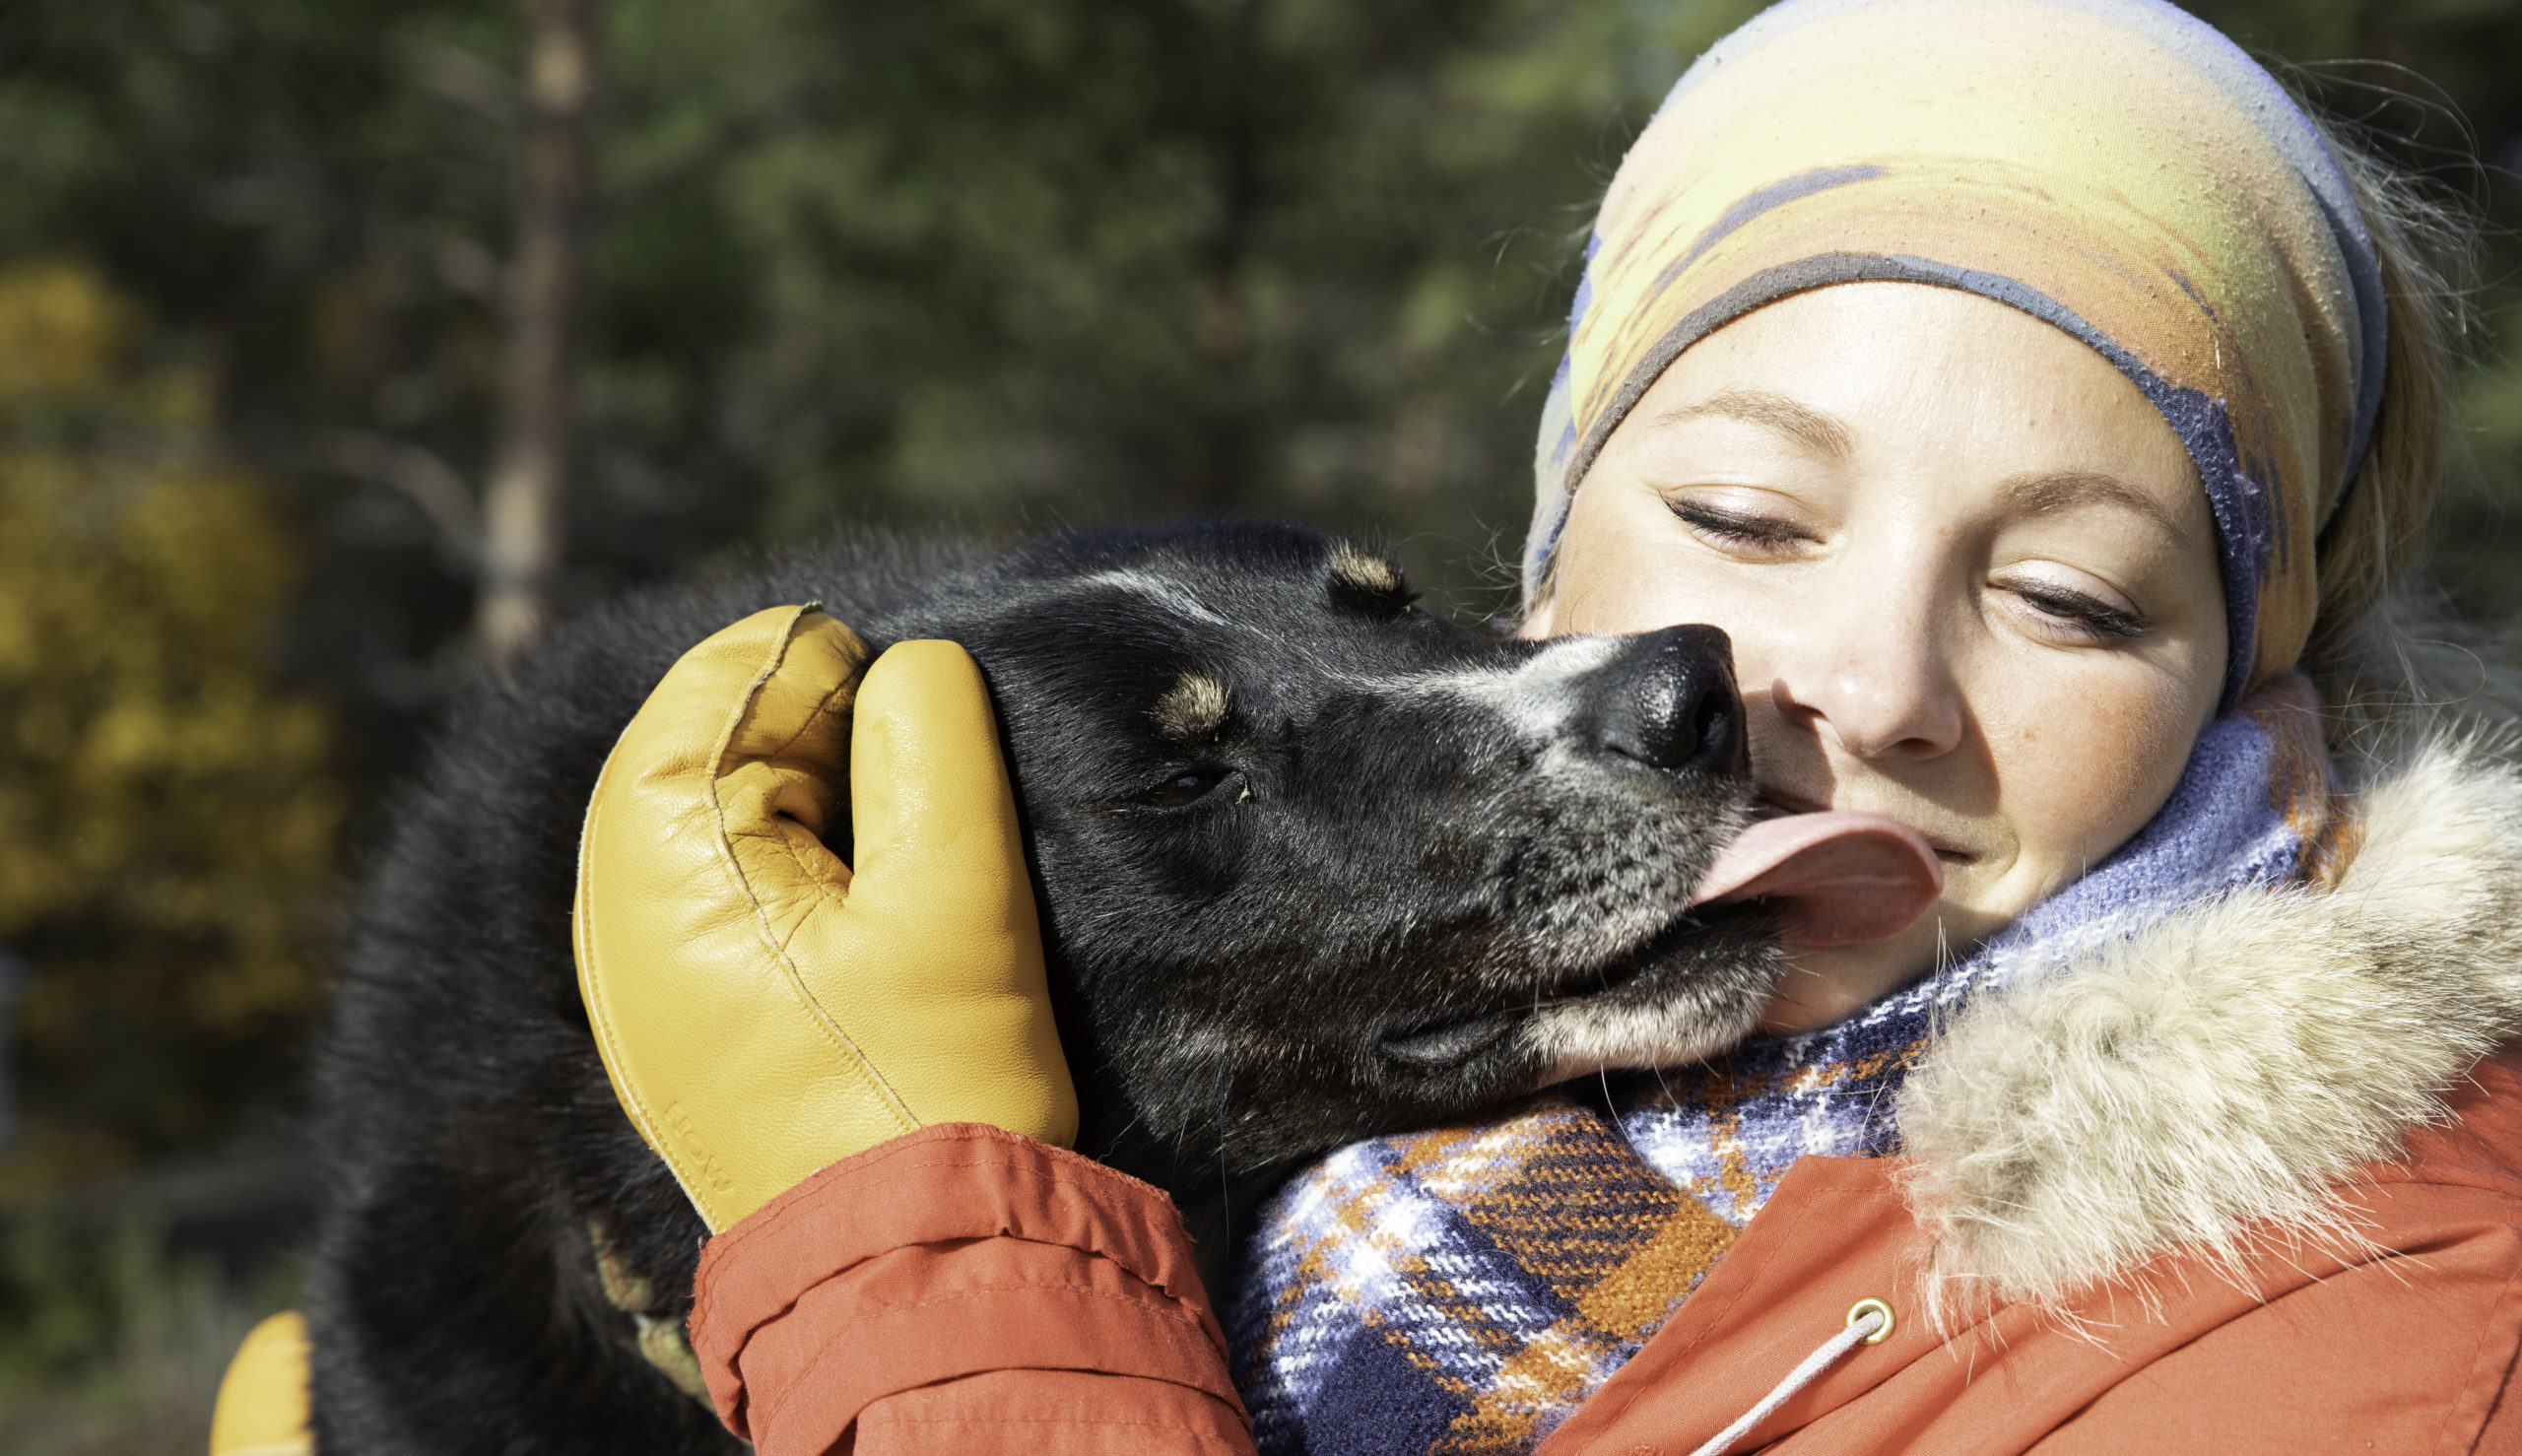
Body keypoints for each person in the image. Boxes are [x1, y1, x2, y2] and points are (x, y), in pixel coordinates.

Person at [207, 0, 2522, 1452]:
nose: (1856, 685)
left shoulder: (2381, 1334)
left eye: (2061, 593)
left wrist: (930, 1279)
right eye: (1737, 511)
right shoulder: (1388, 1182)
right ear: (1550, 561)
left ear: (2260, 702)